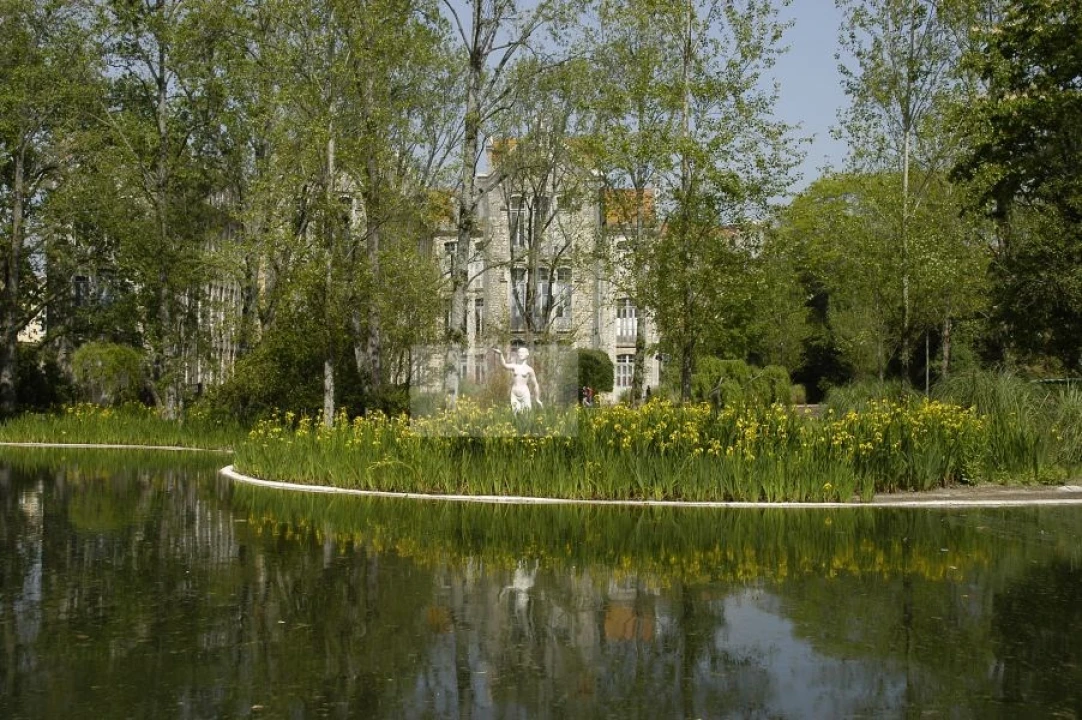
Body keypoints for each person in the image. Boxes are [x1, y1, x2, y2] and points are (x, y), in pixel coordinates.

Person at [493, 346, 542, 412]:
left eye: (523, 352)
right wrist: (500, 354)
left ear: (527, 354)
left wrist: (537, 398)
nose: (520, 354)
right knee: (515, 413)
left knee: (527, 413)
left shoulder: (529, 369)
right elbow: (504, 365)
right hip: (514, 393)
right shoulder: (514, 366)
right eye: (519, 352)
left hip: (524, 393)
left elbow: (535, 384)